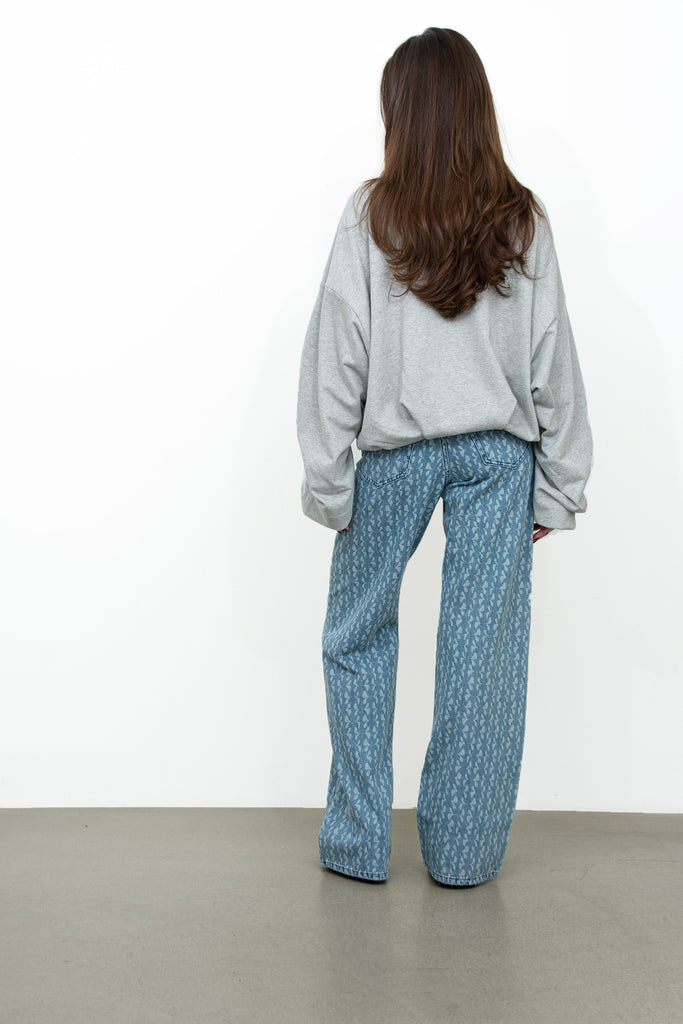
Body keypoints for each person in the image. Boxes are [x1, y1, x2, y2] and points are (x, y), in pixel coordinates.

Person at [296, 27, 593, 887]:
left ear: (400, 112)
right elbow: (552, 360)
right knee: (481, 657)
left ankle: (358, 843)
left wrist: (329, 481)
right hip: (498, 459)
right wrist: (559, 485)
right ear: (476, 109)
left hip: (393, 455)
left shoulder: (371, 214)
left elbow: (336, 354)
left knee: (356, 634)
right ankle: (463, 855)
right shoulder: (520, 217)